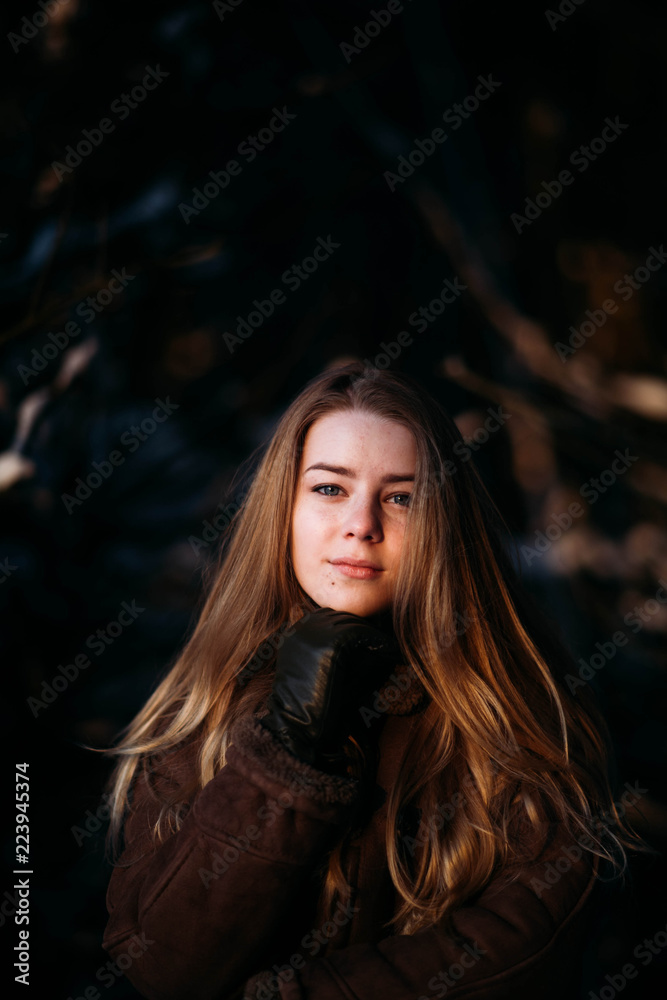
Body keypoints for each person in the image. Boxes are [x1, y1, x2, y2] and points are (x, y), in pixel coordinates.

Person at [101, 361, 645, 1000]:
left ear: (442, 522)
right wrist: (286, 750)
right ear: (286, 509)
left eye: (401, 496)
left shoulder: (519, 712)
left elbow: (521, 955)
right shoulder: (207, 703)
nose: (362, 524)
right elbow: (164, 968)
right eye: (330, 489)